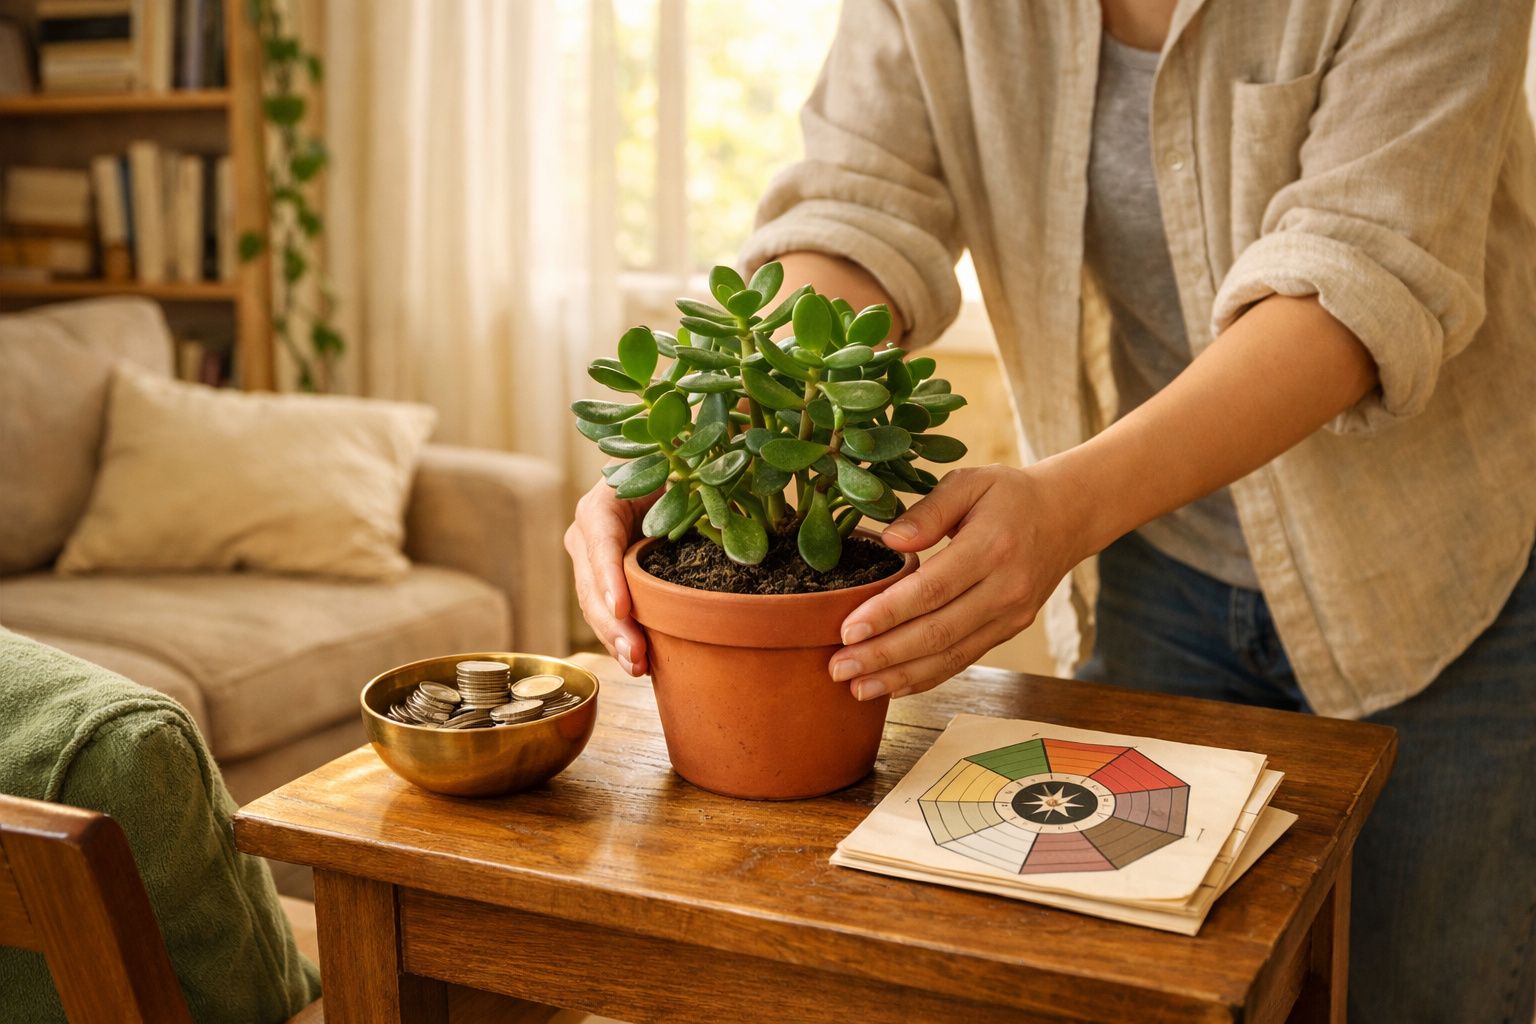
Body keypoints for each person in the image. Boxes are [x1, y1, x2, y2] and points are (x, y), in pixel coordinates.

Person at [565, 1, 1536, 1019]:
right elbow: (860, 204)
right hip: (1157, 568)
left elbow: (1362, 274)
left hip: (1435, 574)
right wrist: (716, 429)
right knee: (1135, 982)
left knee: (1419, 992)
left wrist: (1066, 508)